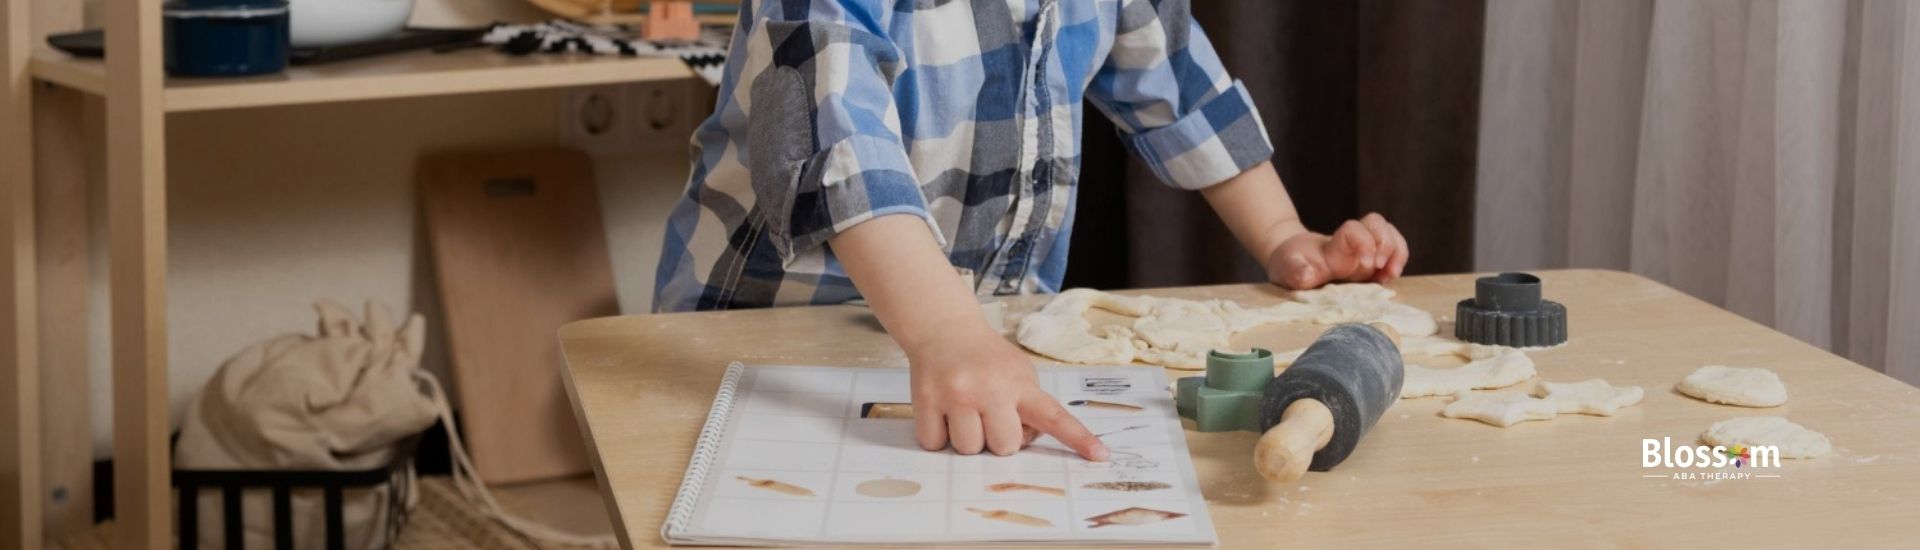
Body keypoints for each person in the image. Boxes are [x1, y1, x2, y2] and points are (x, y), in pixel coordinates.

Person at [654, 0, 1408, 462]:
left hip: (968, 345)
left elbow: (1178, 81)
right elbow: (834, 139)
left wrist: (1284, 233)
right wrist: (945, 331)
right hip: (763, 339)